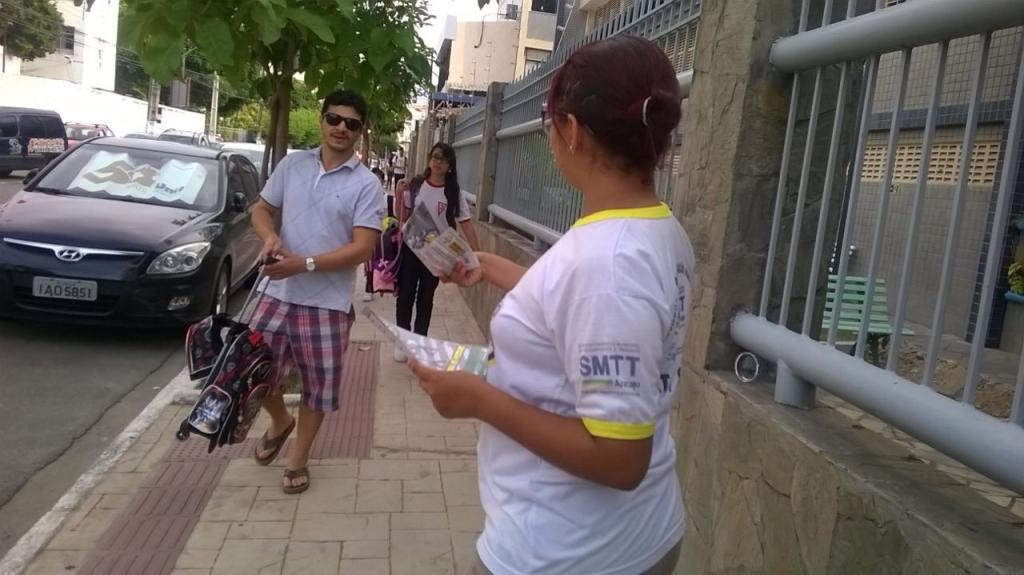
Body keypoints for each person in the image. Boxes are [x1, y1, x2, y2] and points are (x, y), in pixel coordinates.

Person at [408, 35, 691, 574]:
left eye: (548, 124)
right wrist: (492, 267)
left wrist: (480, 400)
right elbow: (578, 311)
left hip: (567, 550)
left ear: (572, 130)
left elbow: (619, 459)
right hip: (631, 533)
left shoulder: (607, 263)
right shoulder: (654, 229)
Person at [249, 89, 384, 494]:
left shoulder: (367, 185)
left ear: (361, 131)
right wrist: (269, 236)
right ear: (322, 119)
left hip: (327, 304)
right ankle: (280, 421)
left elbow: (363, 249)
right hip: (275, 292)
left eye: (352, 123)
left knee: (317, 388)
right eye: (334, 119)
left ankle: (298, 458)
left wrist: (304, 263)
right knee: (252, 373)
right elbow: (261, 209)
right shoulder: (293, 165)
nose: (341, 128)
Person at [393, 143, 480, 361]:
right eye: (435, 157)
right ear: (429, 159)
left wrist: (477, 254)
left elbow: (466, 223)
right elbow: (400, 213)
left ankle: (420, 342)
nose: (438, 162)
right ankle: (403, 341)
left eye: (443, 159)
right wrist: (399, 193)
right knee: (405, 295)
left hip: (437, 255)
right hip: (413, 248)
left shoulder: (454, 193)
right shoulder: (416, 185)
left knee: (425, 299)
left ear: (450, 165)